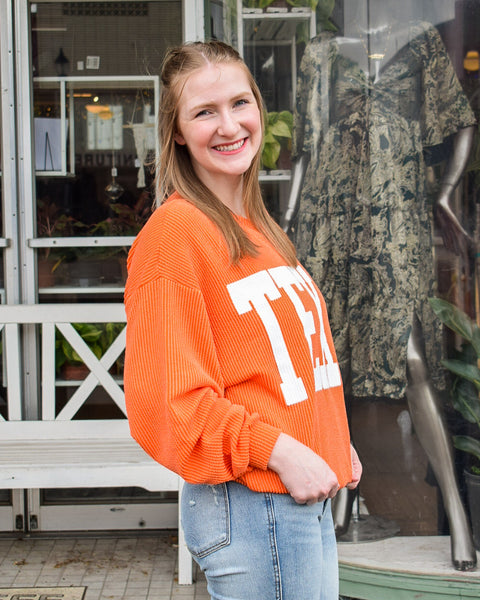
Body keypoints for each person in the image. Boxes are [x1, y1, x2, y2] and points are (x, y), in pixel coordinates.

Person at [123, 40, 362, 599]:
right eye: (204, 112)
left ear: (259, 107)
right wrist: (284, 451)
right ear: (177, 130)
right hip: (255, 507)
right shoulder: (174, 235)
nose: (228, 125)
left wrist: (328, 436)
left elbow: (276, 366)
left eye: (239, 103)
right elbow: (169, 401)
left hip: (294, 505)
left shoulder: (259, 230)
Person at [282, 0, 477, 571]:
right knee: (330, 360)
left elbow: (460, 121)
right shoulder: (320, 51)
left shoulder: (419, 42)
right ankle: (342, 503)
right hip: (328, 218)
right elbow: (305, 147)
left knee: (412, 360)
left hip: (395, 216)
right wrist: (290, 218)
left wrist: (444, 192)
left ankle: (459, 522)